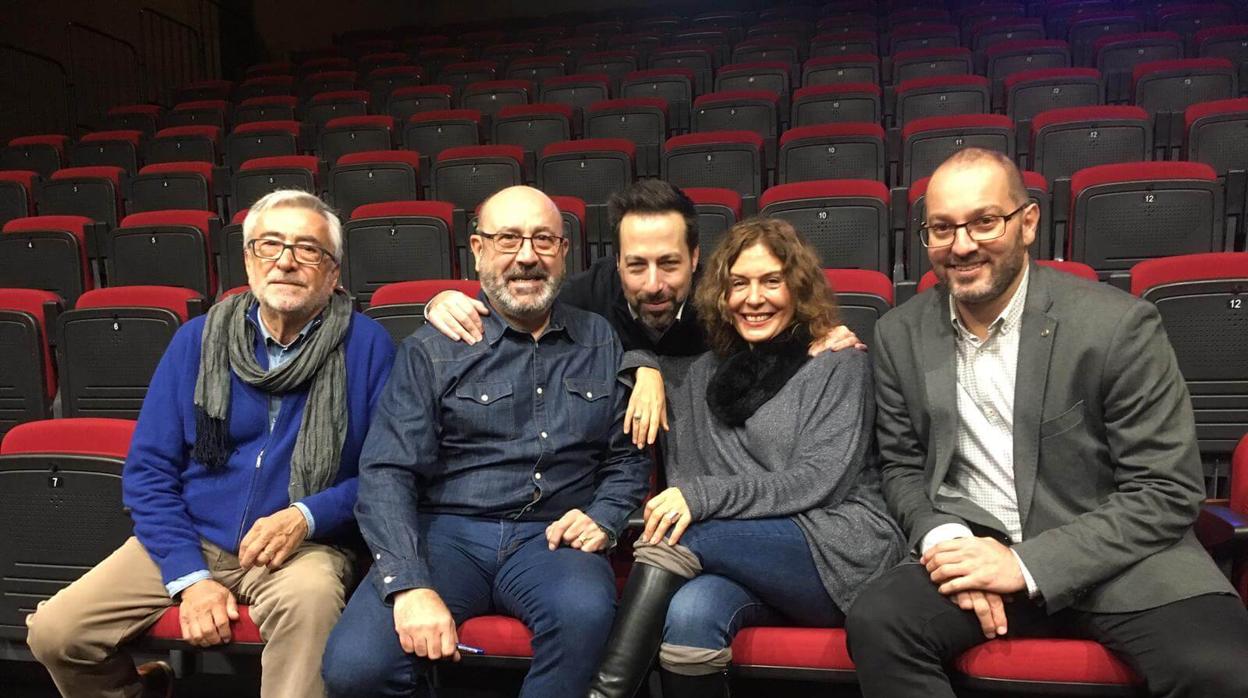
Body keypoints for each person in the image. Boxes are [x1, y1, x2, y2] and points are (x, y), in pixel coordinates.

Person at [845, 147, 1248, 697]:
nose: (961, 245)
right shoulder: (899, 334)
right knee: (880, 621)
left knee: (1222, 669)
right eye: (942, 229)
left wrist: (1026, 565)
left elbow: (1167, 489)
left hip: (1120, 556)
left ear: (1028, 222)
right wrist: (944, 539)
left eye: (985, 221)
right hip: (976, 548)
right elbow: (901, 465)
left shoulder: (1116, 326)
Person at [25, 189, 397, 698]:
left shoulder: (369, 345)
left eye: (309, 249)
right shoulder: (197, 339)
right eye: (270, 245)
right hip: (192, 535)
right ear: (248, 260)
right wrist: (190, 577)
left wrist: (306, 515)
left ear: (332, 273)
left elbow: (385, 473)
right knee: (57, 633)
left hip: (304, 546)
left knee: (310, 605)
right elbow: (149, 471)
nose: (286, 262)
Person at [320, 186, 651, 697]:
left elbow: (627, 457)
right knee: (356, 667)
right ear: (477, 250)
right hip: (448, 534)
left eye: (543, 240)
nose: (526, 256)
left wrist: (605, 516)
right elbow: (387, 472)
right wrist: (408, 583)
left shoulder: (600, 339)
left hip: (553, 536)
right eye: (508, 239)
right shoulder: (433, 349)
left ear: (564, 252)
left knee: (584, 618)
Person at [587, 218, 905, 698]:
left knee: (680, 531)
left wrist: (703, 495)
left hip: (836, 550)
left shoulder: (838, 364)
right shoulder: (703, 375)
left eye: (771, 281)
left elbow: (817, 482)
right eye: (739, 284)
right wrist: (645, 366)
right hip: (743, 559)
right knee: (691, 615)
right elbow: (622, 351)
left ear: (797, 288)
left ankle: (603, 694)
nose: (753, 299)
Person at [423, 180, 860, 450]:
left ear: (694, 258)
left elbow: (786, 315)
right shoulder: (584, 295)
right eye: (636, 265)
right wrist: (442, 300)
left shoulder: (730, 298)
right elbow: (516, 294)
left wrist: (824, 337)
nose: (653, 284)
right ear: (617, 264)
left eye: (669, 264)